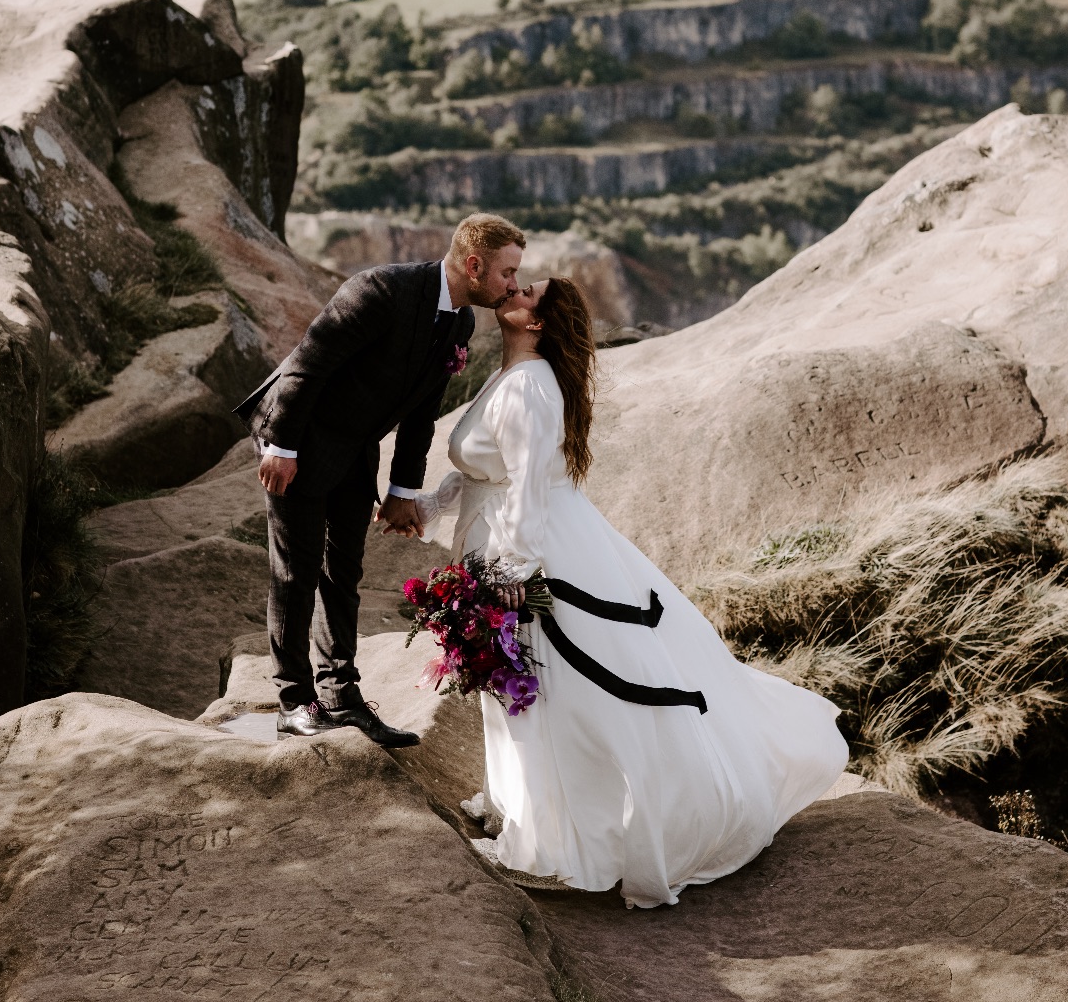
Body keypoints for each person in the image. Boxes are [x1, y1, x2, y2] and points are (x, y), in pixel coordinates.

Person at [416, 275, 849, 910]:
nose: (512, 287)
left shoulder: (532, 386)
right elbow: (488, 470)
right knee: (514, 676)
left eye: (525, 290)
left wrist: (514, 576)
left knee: (545, 681)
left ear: (535, 323)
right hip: (501, 541)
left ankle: (559, 839)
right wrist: (429, 504)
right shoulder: (513, 374)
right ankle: (520, 804)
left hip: (532, 554)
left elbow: (530, 490)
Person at [234, 213, 526, 740]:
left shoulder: (459, 323)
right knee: (296, 572)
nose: (513, 285)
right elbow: (308, 363)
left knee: (342, 573)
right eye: (507, 273)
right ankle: (293, 702)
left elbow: (422, 411)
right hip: (301, 436)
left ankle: (340, 695)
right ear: (474, 264)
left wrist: (402, 493)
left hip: (356, 448)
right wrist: (281, 446)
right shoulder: (380, 290)